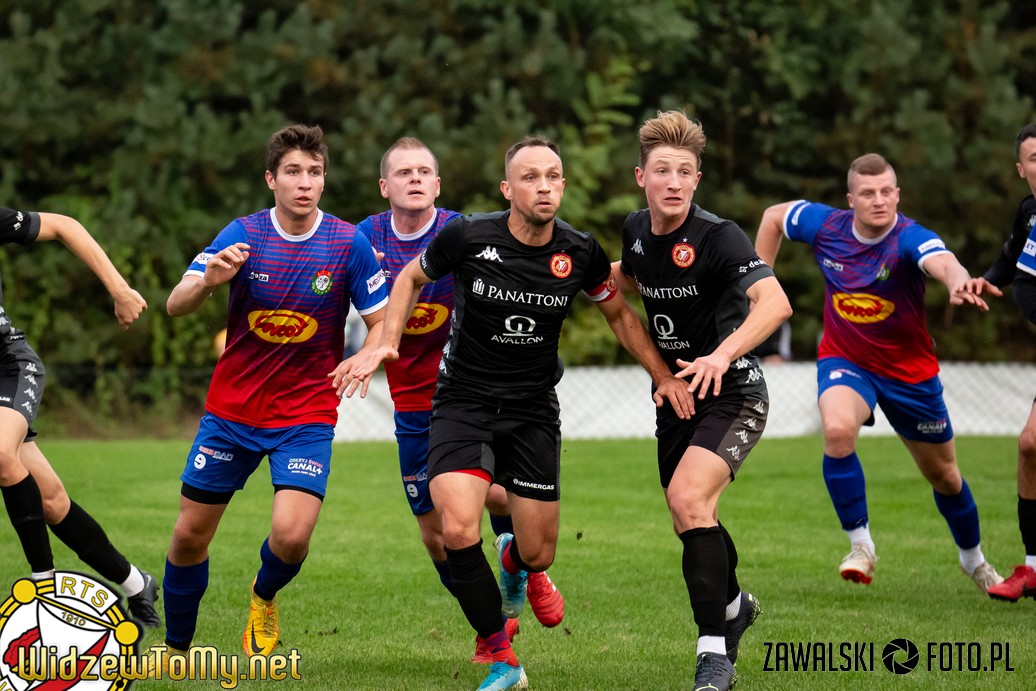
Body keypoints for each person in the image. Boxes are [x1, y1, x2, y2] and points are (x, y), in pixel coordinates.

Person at [339, 135, 690, 691]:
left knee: (537, 551)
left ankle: (515, 565)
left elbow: (620, 315)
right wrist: (387, 342)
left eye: (552, 177)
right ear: (508, 189)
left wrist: (663, 375)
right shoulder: (468, 236)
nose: (543, 187)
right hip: (462, 401)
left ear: (563, 186)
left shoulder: (580, 251)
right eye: (530, 178)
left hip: (531, 410)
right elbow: (410, 278)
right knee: (456, 527)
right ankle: (501, 657)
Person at [152, 124, 388, 670]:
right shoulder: (243, 234)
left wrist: (368, 354)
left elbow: (381, 322)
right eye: (293, 172)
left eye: (314, 172)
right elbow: (175, 304)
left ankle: (263, 596)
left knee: (292, 536)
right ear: (271, 180)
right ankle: (177, 649)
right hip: (232, 413)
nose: (305, 182)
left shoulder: (347, 243)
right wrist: (207, 280)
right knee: (189, 535)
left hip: (305, 415)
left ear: (324, 180)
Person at [755, 153, 1003, 597]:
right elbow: (773, 217)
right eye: (868, 193)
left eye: (887, 191)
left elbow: (943, 261)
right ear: (851, 200)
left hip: (909, 374)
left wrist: (958, 281)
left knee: (945, 477)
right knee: (836, 431)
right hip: (846, 359)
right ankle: (861, 546)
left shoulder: (909, 237)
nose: (879, 200)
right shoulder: (825, 226)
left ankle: (974, 560)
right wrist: (759, 286)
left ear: (898, 195)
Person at [355, 138, 565, 662]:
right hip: (412, 402)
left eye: (424, 171)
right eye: (403, 172)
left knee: (491, 497)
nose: (415, 179)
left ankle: (519, 573)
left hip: (475, 394)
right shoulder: (364, 239)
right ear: (384, 187)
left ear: (438, 184)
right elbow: (326, 284)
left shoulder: (464, 232)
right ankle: (494, 608)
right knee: (437, 535)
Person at [611, 111, 792, 691]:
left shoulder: (719, 236)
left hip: (734, 389)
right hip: (676, 396)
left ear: (697, 179)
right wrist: (561, 274)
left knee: (689, 499)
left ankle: (714, 654)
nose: (673, 182)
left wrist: (720, 354)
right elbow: (629, 279)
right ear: (641, 176)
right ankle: (734, 607)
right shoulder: (635, 229)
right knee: (690, 514)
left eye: (684, 172)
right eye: (662, 170)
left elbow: (775, 303)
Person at [0, 208, 159, 626]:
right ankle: (137, 584)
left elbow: (64, 226)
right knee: (51, 502)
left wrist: (120, 290)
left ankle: (42, 593)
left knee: (0, 455)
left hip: (8, 366)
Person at [965, 123, 1036, 602]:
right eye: (1034, 158)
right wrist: (988, 278)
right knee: (1031, 447)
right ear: (1020, 169)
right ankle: (1033, 567)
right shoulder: (1030, 211)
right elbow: (1014, 256)